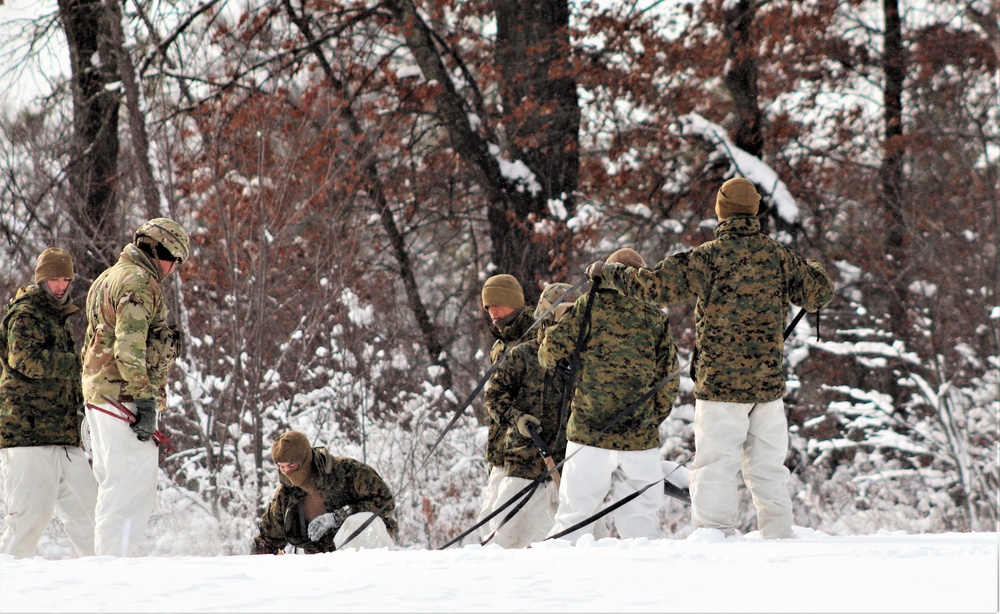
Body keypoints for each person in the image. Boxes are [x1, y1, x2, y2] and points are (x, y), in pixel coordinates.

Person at [589, 177, 835, 538]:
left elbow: (653, 287)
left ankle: (714, 539)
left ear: (721, 211)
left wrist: (607, 273)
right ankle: (780, 538)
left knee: (715, 467)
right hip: (767, 389)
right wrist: (814, 267)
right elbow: (820, 293)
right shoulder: (778, 256)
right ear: (754, 211)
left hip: (720, 388)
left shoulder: (707, 257)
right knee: (769, 469)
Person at [539, 248, 679, 543]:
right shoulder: (654, 317)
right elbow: (669, 378)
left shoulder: (589, 307)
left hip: (589, 434)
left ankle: (551, 584)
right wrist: (651, 419)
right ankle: (644, 584)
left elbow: (547, 354)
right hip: (639, 439)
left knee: (573, 520)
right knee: (642, 528)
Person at [82, 218, 190, 556]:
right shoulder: (139, 281)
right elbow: (129, 347)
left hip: (101, 396)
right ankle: (116, 568)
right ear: (160, 250)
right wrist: (145, 400)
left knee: (113, 483)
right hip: (125, 398)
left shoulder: (107, 277)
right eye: (175, 258)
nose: (174, 267)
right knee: (131, 489)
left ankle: (112, 562)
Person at [0, 248, 98, 558]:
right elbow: (24, 360)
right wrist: (79, 365)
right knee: (28, 520)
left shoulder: (58, 318)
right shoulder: (26, 313)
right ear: (42, 279)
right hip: (28, 434)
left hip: (63, 438)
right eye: (54, 279)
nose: (60, 286)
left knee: (93, 516)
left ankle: (110, 582)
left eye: (65, 279)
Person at [483, 282, 581, 547]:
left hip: (568, 466)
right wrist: (518, 420)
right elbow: (494, 396)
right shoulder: (523, 355)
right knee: (503, 539)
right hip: (524, 462)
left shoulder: (583, 362)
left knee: (584, 541)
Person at [252, 430, 396, 554]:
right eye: (282, 467)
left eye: (291, 465)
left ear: (305, 459)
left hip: (372, 550)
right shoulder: (286, 495)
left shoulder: (348, 472)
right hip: (323, 567)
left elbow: (385, 502)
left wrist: (337, 517)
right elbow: (268, 539)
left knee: (358, 522)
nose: (287, 472)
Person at [476, 273, 535, 540]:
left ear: (514, 301)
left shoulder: (535, 338)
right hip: (501, 450)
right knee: (488, 525)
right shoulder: (500, 345)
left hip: (528, 452)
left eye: (498, 302)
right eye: (488, 306)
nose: (493, 311)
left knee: (506, 531)